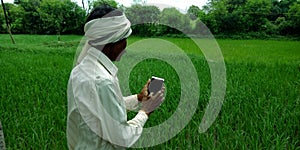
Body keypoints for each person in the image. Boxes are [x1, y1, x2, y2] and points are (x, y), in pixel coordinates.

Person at [67, 4, 165, 150]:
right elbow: (122, 138)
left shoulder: (80, 71)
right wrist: (145, 111)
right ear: (110, 43)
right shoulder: (102, 81)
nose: (125, 47)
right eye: (123, 40)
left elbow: (101, 108)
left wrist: (138, 98)